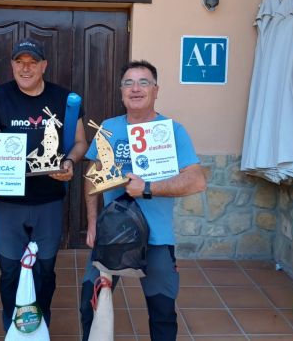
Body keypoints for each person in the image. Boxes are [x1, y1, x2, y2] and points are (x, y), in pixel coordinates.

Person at [79, 60, 207, 341]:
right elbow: (91, 175)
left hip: (157, 240)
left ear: (156, 90)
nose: (135, 89)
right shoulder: (109, 128)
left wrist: (148, 187)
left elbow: (197, 180)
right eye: (128, 83)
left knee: (162, 312)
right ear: (121, 91)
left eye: (143, 82)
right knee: (91, 304)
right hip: (112, 236)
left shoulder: (173, 130)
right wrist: (91, 223)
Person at [0, 37, 88, 331]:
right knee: (9, 270)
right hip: (8, 201)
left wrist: (69, 162)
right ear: (12, 65)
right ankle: (13, 327)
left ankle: (40, 325)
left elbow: (81, 142)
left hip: (48, 200)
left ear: (43, 66)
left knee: (46, 270)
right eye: (20, 62)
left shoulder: (64, 99)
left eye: (32, 62)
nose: (25, 68)